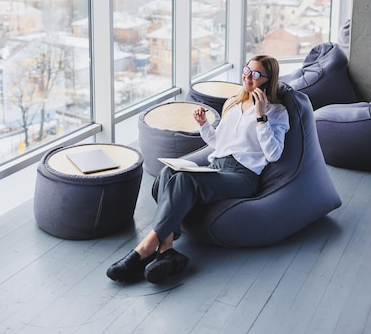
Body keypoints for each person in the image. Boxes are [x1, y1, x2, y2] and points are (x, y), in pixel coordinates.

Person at [106, 55, 289, 284]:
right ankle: (167, 251)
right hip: (217, 166)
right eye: (246, 70)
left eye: (255, 74)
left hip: (243, 176)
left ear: (268, 80)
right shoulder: (233, 104)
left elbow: (274, 154)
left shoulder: (277, 112)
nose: (247, 77)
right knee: (167, 173)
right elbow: (218, 143)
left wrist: (261, 116)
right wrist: (203, 125)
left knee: (183, 180)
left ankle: (146, 246)